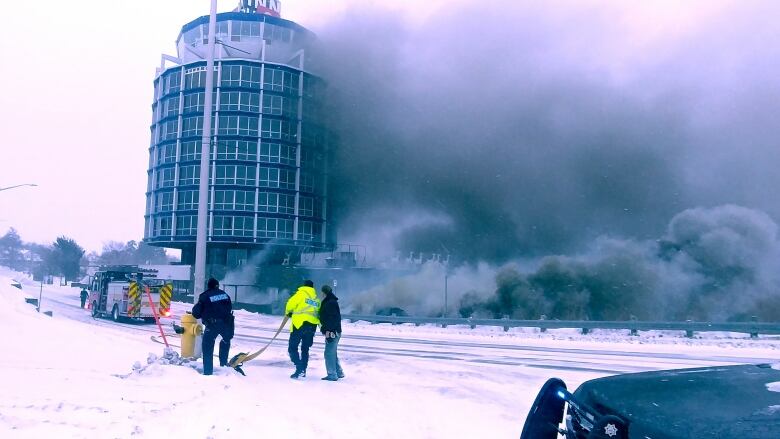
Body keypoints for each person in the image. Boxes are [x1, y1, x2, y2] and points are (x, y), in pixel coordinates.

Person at [192, 278, 234, 376]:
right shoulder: (225, 295)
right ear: (217, 285)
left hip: (212, 325)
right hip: (226, 324)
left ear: (209, 286)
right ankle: (223, 366)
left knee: (207, 347)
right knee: (226, 341)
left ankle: (208, 372)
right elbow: (229, 308)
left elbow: (196, 313)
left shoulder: (204, 296)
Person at [285, 279, 320, 379]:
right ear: (312, 288)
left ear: (304, 286)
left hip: (299, 325)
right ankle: (303, 370)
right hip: (312, 327)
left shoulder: (300, 294)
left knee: (292, 348)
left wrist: (288, 313)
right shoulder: (316, 299)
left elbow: (289, 305)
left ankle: (299, 367)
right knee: (305, 349)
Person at [318, 284, 344, 381]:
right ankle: (339, 372)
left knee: (328, 353)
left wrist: (329, 331)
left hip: (333, 332)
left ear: (324, 292)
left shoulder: (330, 303)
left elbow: (334, 319)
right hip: (334, 330)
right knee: (333, 352)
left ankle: (332, 374)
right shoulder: (331, 301)